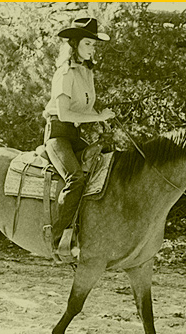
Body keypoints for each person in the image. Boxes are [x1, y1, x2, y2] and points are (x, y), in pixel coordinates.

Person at [43, 17, 115, 254]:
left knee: (103, 169)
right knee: (75, 178)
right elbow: (64, 113)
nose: (92, 49)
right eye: (88, 43)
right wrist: (99, 117)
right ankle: (56, 237)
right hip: (58, 134)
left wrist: (103, 116)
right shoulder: (64, 74)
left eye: (93, 45)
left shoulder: (86, 73)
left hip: (74, 134)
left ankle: (86, 231)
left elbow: (85, 110)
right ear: (74, 45)